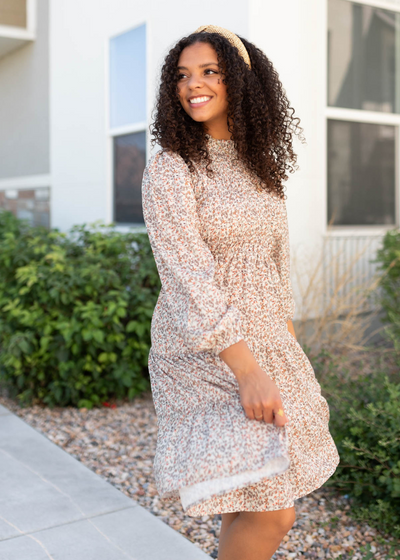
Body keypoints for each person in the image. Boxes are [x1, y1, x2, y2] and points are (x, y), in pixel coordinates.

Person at [141, 24, 340, 560]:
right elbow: (187, 274)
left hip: (269, 339)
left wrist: (287, 344)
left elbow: (275, 265)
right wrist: (247, 368)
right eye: (182, 75)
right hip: (204, 352)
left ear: (242, 85)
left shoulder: (262, 170)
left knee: (249, 494)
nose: (192, 85)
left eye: (210, 72)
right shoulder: (171, 168)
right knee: (275, 510)